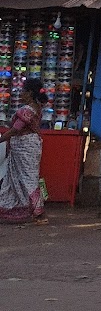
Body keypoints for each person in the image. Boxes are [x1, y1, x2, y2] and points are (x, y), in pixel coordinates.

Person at [0, 79, 48, 224]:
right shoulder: (37, 107)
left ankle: (39, 212)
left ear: (29, 93)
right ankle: (32, 210)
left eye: (23, 91)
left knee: (27, 179)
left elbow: (16, 129)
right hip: (30, 145)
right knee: (19, 177)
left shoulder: (26, 110)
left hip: (25, 146)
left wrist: (1, 139)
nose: (20, 94)